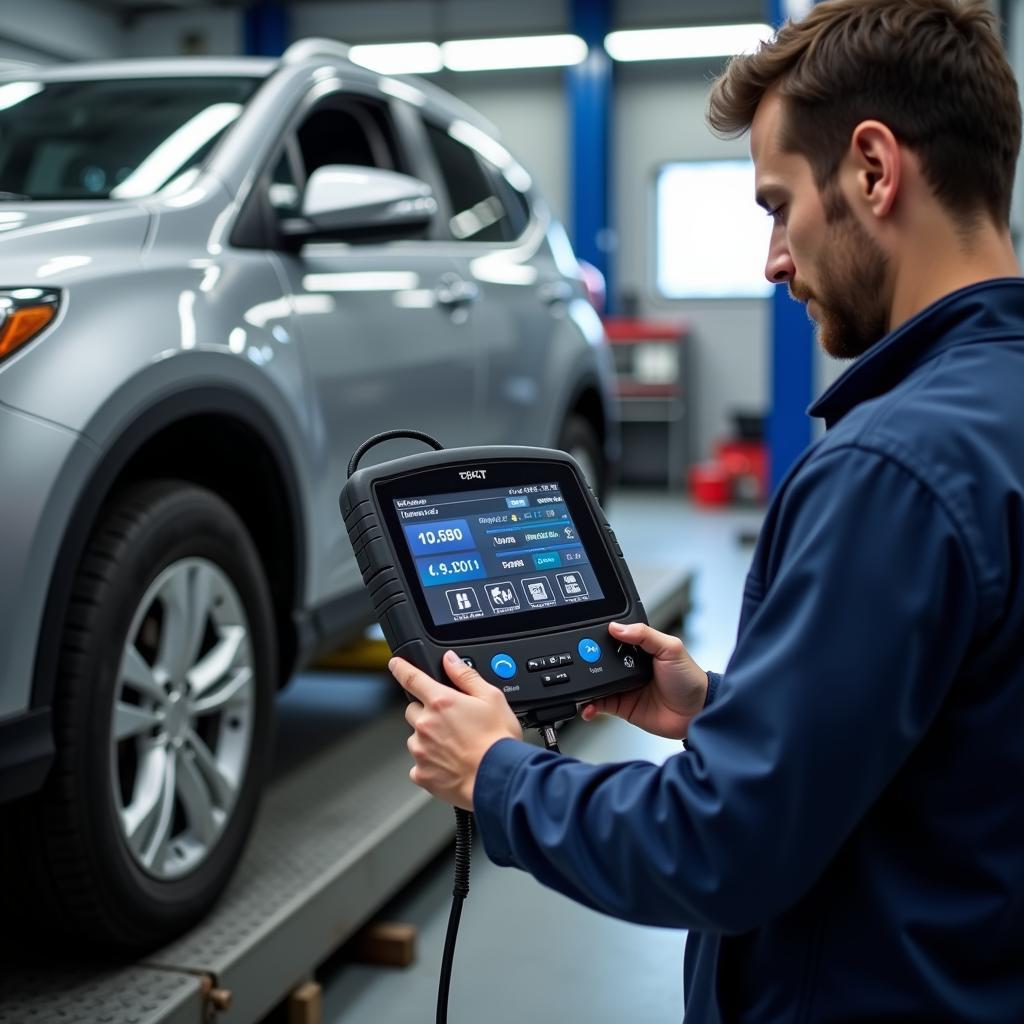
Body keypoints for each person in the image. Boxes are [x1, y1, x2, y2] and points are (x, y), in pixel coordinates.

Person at [388, 0, 1024, 1019]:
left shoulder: (889, 468)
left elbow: (722, 844)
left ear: (871, 168)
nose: (774, 260)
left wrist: (499, 775)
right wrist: (724, 709)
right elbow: (958, 730)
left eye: (777, 206)